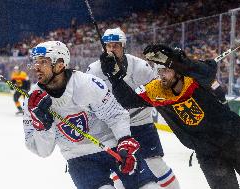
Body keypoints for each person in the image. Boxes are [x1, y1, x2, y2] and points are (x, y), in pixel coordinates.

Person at [106, 43, 240, 189]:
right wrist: (115, 79)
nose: (162, 75)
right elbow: (126, 100)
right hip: (208, 154)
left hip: (236, 141)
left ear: (178, 71)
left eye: (166, 70)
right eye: (159, 70)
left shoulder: (193, 78)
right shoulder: (155, 90)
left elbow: (208, 70)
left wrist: (178, 60)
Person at [22, 40, 159, 189]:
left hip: (113, 145)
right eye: (36, 62)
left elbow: (115, 115)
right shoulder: (32, 101)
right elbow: (43, 151)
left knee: (149, 187)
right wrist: (42, 127)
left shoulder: (87, 83)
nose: (36, 67)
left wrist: (125, 140)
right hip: (78, 158)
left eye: (43, 62)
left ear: (60, 64)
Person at [87, 27, 180, 189]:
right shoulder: (94, 70)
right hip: (113, 128)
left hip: (141, 122)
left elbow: (157, 91)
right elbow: (86, 100)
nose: (111, 49)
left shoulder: (141, 67)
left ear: (123, 46)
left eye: (116, 45)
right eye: (108, 46)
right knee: (119, 170)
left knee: (155, 164)